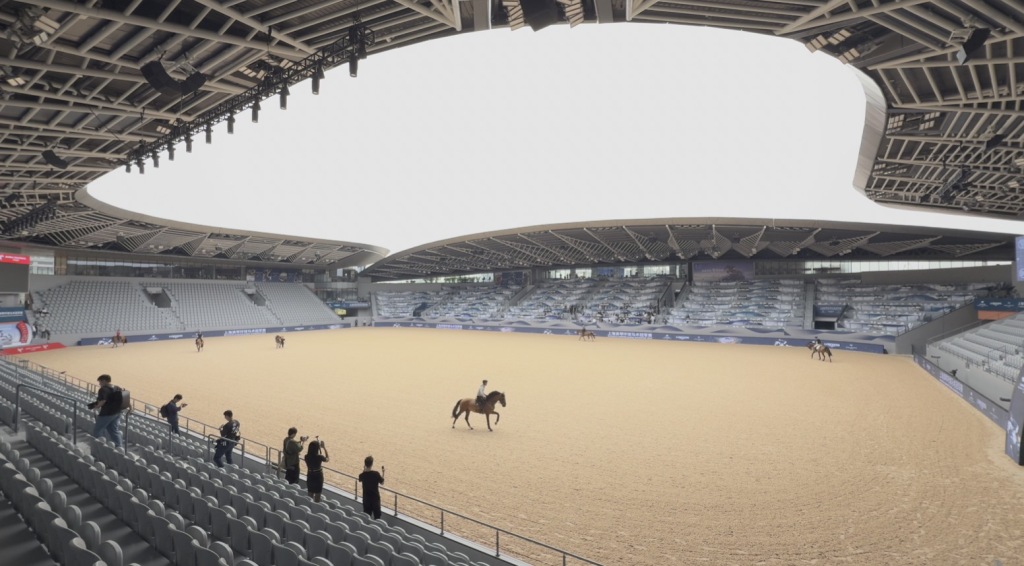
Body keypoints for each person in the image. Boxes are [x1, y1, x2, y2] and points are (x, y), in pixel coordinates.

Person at [88, 374, 123, 448]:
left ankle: (99, 448)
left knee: (97, 431)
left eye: (100, 382)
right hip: (117, 413)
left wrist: (96, 407)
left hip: (107, 413)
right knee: (113, 431)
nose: (99, 384)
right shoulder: (116, 388)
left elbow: (103, 400)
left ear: (104, 381)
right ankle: (119, 448)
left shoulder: (103, 389)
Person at [358, 455, 386, 520]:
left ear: (365, 464)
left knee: (366, 518)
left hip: (366, 500)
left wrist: (364, 470)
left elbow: (360, 478)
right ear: (372, 464)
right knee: (377, 518)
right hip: (375, 500)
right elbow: (382, 483)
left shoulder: (362, 475)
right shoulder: (376, 474)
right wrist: (383, 473)